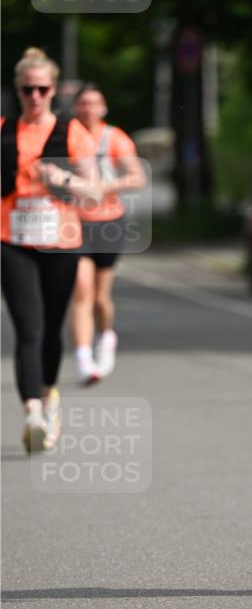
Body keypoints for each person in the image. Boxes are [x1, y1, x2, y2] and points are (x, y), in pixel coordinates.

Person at [1, 48, 100, 452]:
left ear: (53, 90)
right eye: (28, 89)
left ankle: (48, 395)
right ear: (18, 90)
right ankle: (32, 414)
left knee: (50, 330)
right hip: (13, 241)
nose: (36, 96)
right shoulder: (4, 130)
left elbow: (94, 192)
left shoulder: (72, 131)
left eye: (43, 89)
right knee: (29, 328)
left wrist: (63, 178)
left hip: (61, 242)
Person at [71, 83, 146, 383]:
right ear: (76, 107)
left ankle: (105, 335)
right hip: (75, 223)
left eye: (94, 103)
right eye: (83, 103)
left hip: (109, 221)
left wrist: (102, 187)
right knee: (81, 291)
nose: (88, 109)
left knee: (101, 298)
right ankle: (83, 358)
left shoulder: (114, 137)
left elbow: (136, 176)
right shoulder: (66, 135)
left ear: (103, 108)